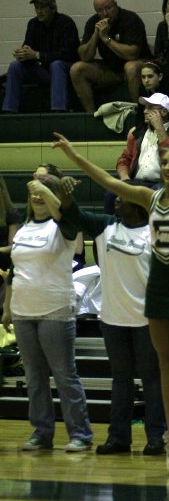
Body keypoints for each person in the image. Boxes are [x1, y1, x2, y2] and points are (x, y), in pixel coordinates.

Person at [52, 125, 169, 475]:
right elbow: (111, 184)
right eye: (164, 163)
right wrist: (74, 156)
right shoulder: (151, 198)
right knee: (166, 366)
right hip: (158, 289)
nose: (168, 168)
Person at [59, 182, 165, 457]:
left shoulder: (155, 232)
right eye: (115, 196)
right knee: (121, 380)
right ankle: (118, 438)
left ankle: (157, 437)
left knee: (152, 380)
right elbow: (74, 217)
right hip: (113, 318)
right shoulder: (106, 226)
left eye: (123, 197)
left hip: (147, 320)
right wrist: (67, 197)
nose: (116, 200)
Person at [1, 175, 93, 453]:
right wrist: (7, 310)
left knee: (65, 375)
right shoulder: (25, 229)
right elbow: (15, 273)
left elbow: (66, 214)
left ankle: (80, 434)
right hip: (23, 313)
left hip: (55, 310)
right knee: (34, 376)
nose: (37, 197)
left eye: (44, 193)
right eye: (33, 193)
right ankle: (42, 432)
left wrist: (45, 188)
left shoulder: (63, 227)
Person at [69, 0, 151, 113]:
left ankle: (138, 114)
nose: (105, 13)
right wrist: (96, 35)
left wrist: (106, 39)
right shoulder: (94, 22)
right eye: (100, 10)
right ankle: (91, 115)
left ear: (116, 5)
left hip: (138, 65)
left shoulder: (130, 19)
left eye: (108, 8)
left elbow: (132, 54)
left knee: (130, 67)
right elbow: (84, 56)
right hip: (111, 69)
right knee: (76, 69)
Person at [2, 0, 78, 113]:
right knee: (15, 66)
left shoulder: (66, 23)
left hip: (65, 72)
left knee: (57, 64)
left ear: (53, 8)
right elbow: (28, 47)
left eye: (43, 7)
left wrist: (37, 55)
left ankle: (58, 110)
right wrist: (23, 54)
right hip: (45, 72)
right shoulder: (33, 24)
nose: (39, 11)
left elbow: (68, 54)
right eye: (36, 8)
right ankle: (9, 110)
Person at [115, 93, 169, 187]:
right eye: (145, 107)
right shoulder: (136, 133)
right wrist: (125, 178)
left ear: (164, 112)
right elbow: (124, 160)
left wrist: (159, 127)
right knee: (111, 194)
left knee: (155, 192)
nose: (145, 111)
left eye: (150, 108)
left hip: (165, 183)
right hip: (136, 182)